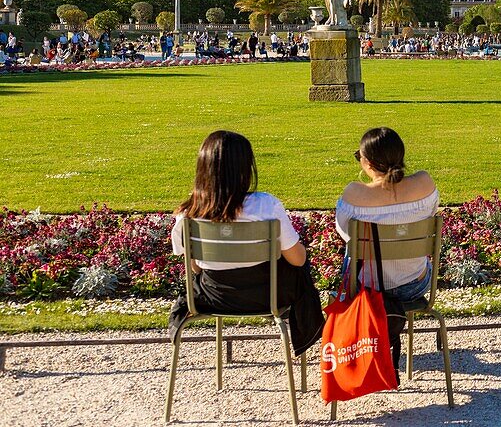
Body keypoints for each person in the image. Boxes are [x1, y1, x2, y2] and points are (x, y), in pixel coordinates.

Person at [168, 130, 324, 356]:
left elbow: (196, 267)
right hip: (268, 296)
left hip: (216, 298)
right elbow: (298, 259)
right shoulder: (265, 205)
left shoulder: (188, 214)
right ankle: (305, 337)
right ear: (245, 168)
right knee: (300, 269)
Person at [335, 127, 439, 304]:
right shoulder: (424, 183)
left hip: (367, 288)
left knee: (354, 244)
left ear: (367, 162)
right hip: (414, 284)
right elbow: (431, 212)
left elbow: (345, 234)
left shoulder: (354, 194)